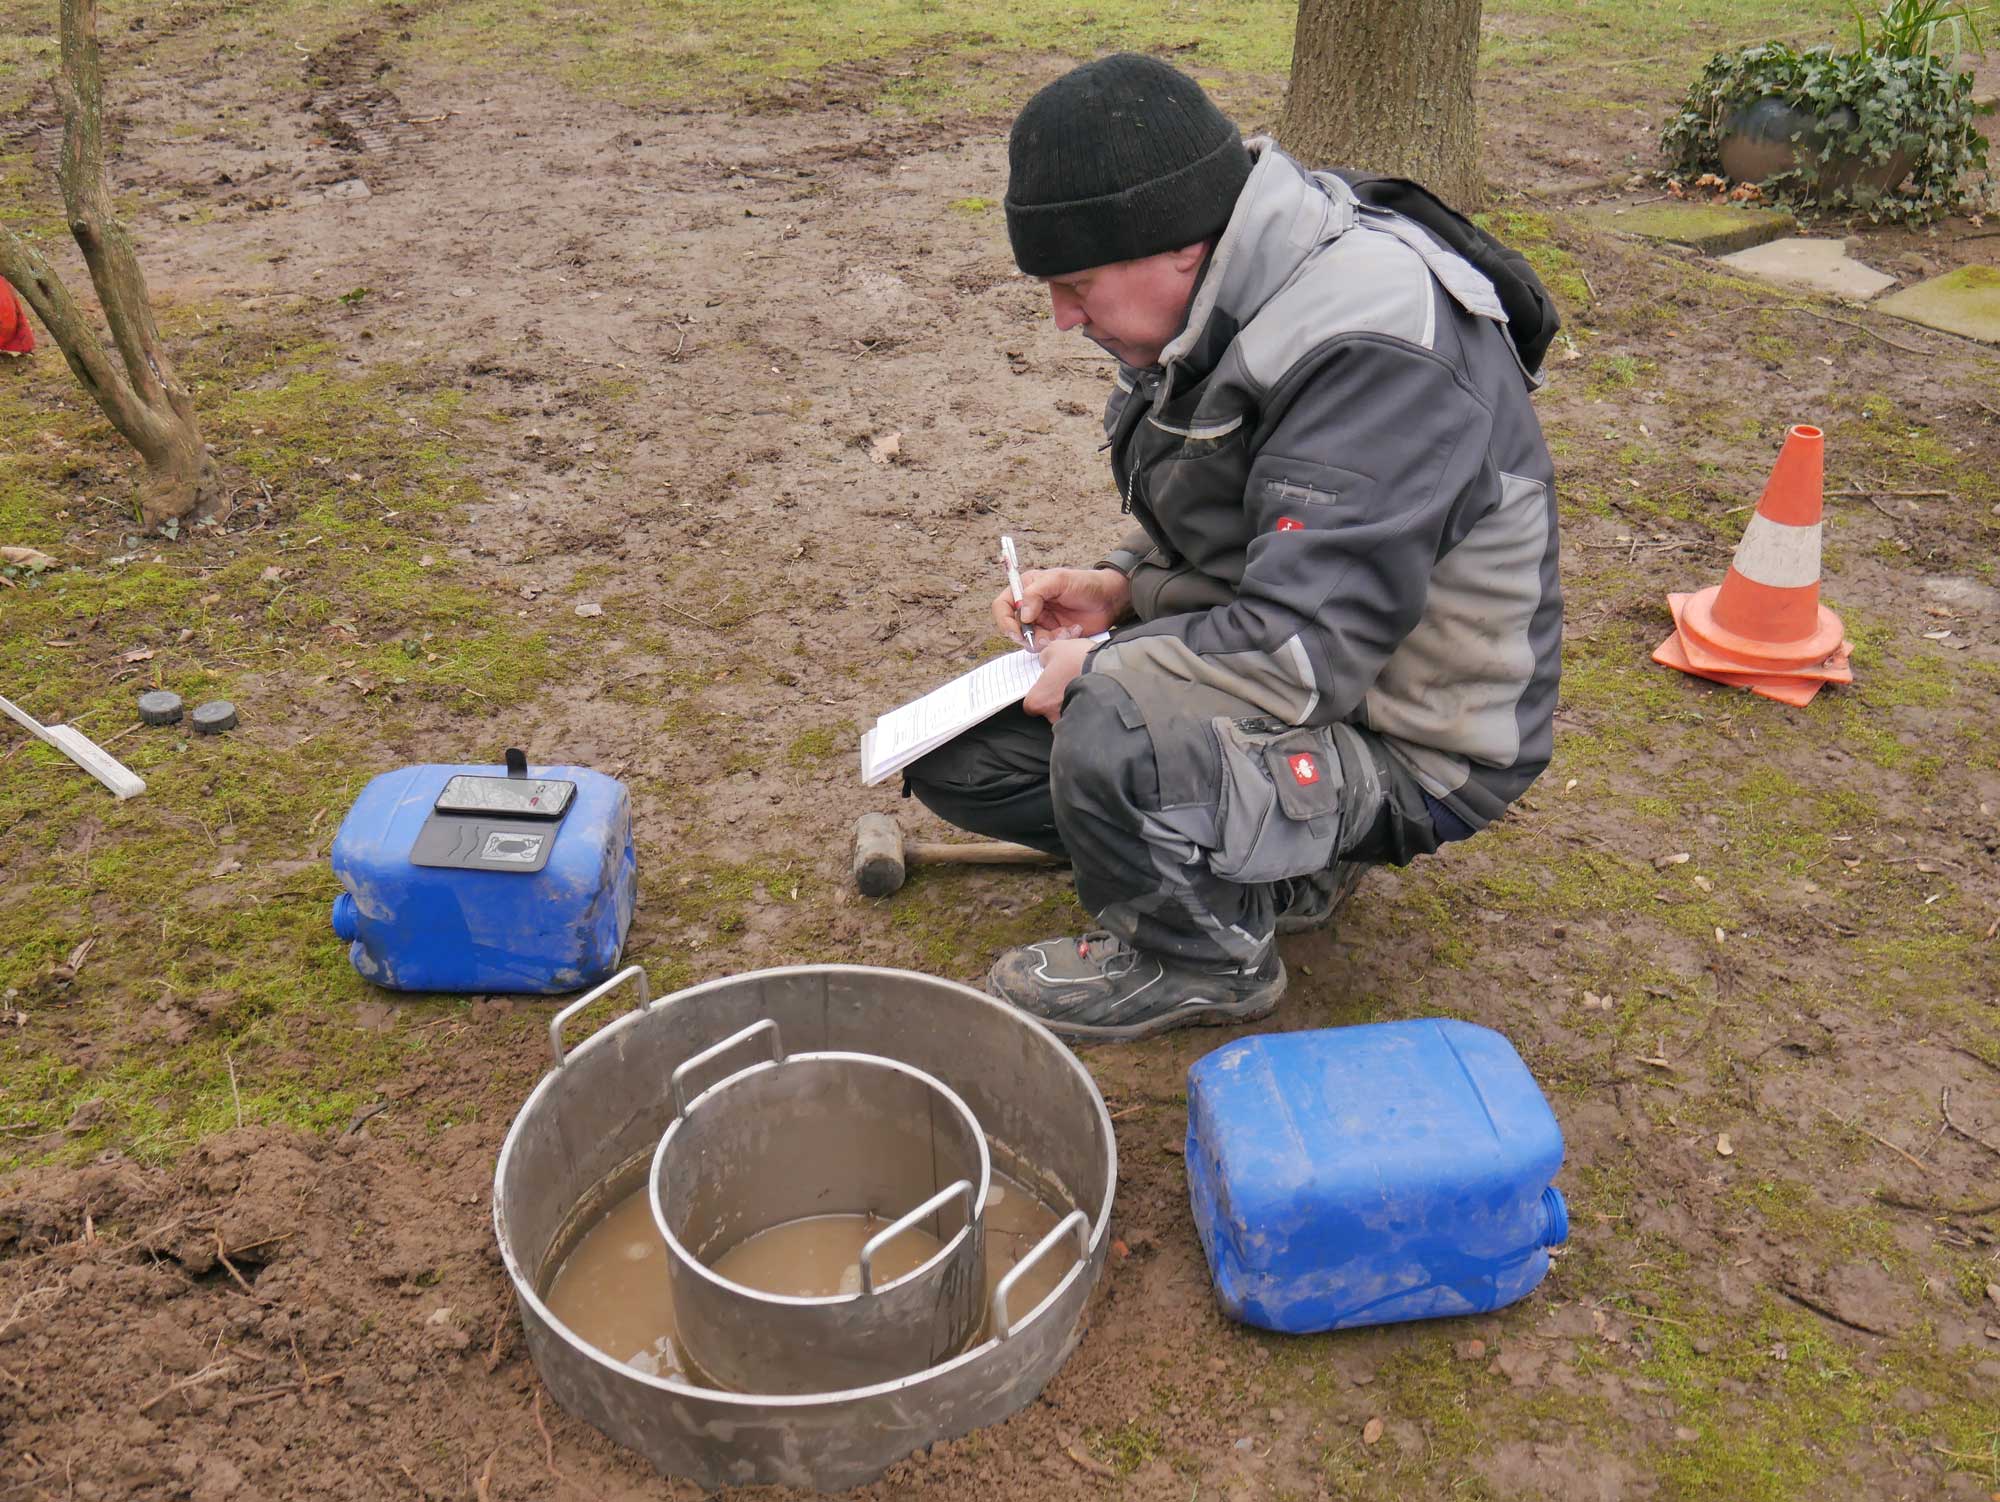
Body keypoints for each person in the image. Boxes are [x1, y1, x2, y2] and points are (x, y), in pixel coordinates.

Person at [902, 54, 1561, 1042]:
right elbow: (1250, 520)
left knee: (1109, 719)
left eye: (1076, 285)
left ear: (1174, 243)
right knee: (959, 758)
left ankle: (1202, 959)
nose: (1061, 318)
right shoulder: (1228, 292)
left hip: (1409, 737)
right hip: (1316, 669)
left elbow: (1300, 645)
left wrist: (1108, 666)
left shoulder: (1366, 346)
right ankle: (1256, 853)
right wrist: (1117, 586)